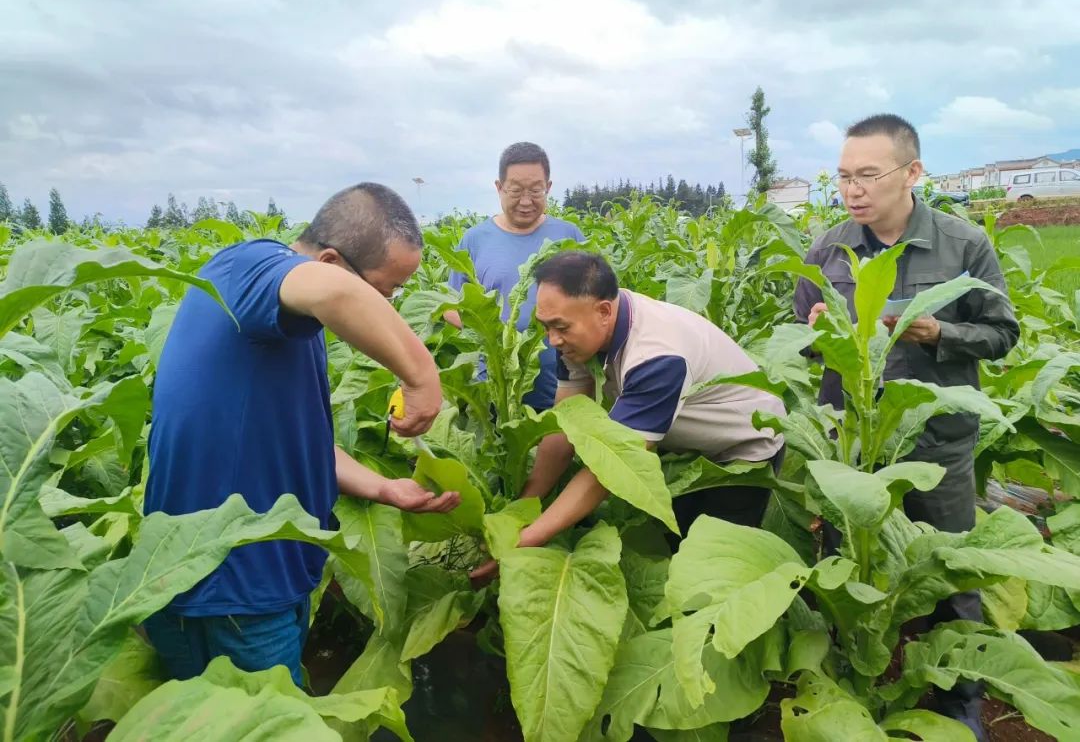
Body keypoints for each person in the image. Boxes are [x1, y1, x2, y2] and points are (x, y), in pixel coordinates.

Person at [143, 182, 461, 686]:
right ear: (330, 260)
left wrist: (382, 488)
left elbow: (296, 440)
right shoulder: (247, 270)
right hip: (228, 585)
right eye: (384, 293)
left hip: (266, 579)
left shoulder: (284, 325)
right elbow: (332, 290)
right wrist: (422, 375)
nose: (389, 308)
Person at [794, 114, 1019, 740]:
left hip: (936, 441)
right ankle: (849, 694)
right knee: (850, 569)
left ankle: (959, 703)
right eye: (843, 177)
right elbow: (805, 337)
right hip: (855, 450)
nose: (853, 189)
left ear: (912, 172)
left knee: (948, 573)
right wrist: (820, 337)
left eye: (868, 174)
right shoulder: (828, 248)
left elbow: (1003, 334)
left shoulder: (962, 245)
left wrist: (937, 331)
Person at [470, 250, 786, 583]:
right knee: (671, 546)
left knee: (712, 571)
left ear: (604, 310)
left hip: (742, 451)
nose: (552, 340)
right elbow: (562, 429)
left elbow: (612, 469)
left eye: (560, 327)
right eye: (545, 326)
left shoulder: (657, 356)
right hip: (686, 450)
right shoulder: (581, 335)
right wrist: (520, 509)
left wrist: (527, 540)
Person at [445, 142, 584, 410]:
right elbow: (451, 307)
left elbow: (598, 302)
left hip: (566, 382)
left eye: (535, 190)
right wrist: (493, 333)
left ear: (549, 187)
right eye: (516, 190)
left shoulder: (569, 237)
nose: (526, 201)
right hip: (497, 383)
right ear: (499, 188)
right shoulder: (474, 240)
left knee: (560, 443)